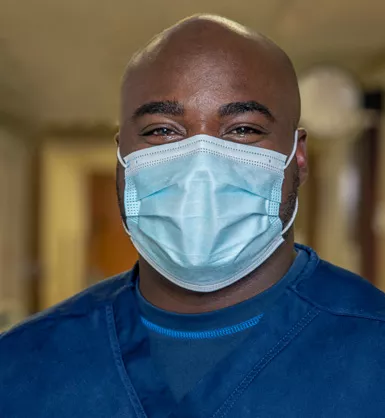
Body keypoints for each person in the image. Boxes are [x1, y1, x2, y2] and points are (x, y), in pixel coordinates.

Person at [1, 14, 385, 418]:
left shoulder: (373, 351)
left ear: (297, 155)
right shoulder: (22, 368)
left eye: (242, 130)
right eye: (162, 131)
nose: (201, 165)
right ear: (122, 158)